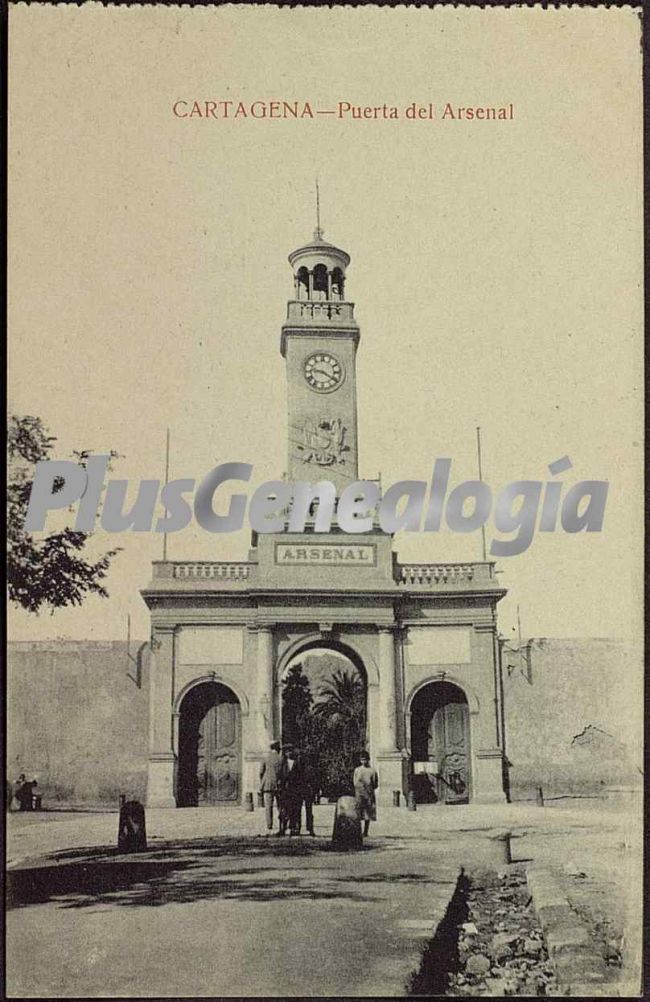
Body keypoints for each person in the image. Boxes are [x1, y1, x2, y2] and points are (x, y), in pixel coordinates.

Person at [259, 740, 284, 836]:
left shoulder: (265, 758)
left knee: (268, 806)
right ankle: (281, 824)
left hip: (268, 785)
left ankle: (269, 824)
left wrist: (263, 781)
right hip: (279, 785)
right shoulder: (281, 759)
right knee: (280, 806)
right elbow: (283, 772)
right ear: (277, 748)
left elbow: (261, 772)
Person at [353, 751, 379, 838]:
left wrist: (369, 789)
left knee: (368, 813)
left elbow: (375, 783)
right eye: (362, 760)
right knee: (358, 812)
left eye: (365, 760)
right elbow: (355, 782)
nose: (363, 761)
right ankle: (358, 831)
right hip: (359, 794)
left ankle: (365, 831)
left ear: (368, 760)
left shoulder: (372, 771)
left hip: (369, 794)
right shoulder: (357, 770)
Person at [278, 743, 300, 836]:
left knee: (295, 810)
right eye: (286, 751)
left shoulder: (298, 763)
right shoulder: (283, 763)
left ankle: (294, 828)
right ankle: (282, 828)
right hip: (285, 790)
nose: (288, 753)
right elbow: (280, 775)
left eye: (290, 751)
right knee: (284, 810)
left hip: (295, 790)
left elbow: (301, 776)